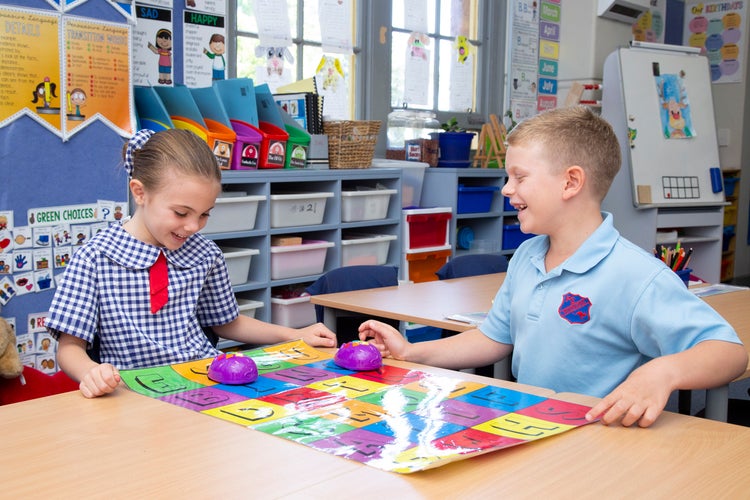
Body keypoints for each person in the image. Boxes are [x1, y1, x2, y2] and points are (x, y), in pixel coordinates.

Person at [359, 106, 747, 428]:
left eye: (519, 177)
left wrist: (664, 372)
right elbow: (495, 338)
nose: (507, 190)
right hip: (533, 427)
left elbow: (729, 353)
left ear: (571, 183)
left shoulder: (636, 276)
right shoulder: (528, 257)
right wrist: (412, 352)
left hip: (599, 445)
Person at [47, 129, 337, 399]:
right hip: (133, 392)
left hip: (203, 386)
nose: (193, 226)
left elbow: (228, 322)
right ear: (140, 193)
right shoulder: (95, 258)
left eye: (204, 214)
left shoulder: (205, 254)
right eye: (181, 212)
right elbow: (70, 348)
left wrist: (295, 335)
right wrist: (91, 373)